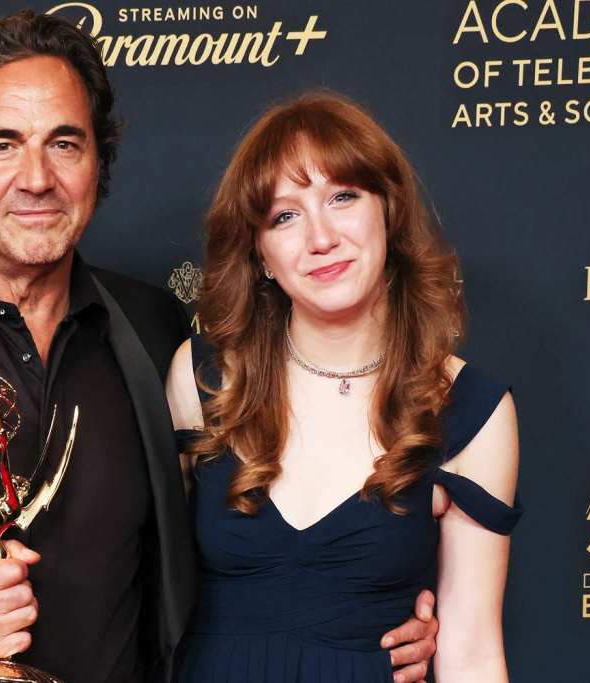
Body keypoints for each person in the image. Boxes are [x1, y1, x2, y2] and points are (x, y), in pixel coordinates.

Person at [0, 12, 439, 683]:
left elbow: (225, 540)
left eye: (65, 143)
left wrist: (361, 615)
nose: (37, 177)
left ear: (99, 165)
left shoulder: (158, 329)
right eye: (3, 144)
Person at [166, 91, 522, 683]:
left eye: (343, 197)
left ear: (389, 211)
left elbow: (473, 653)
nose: (321, 237)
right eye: (284, 216)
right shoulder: (203, 378)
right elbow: (141, 585)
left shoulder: (470, 409)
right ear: (260, 253)